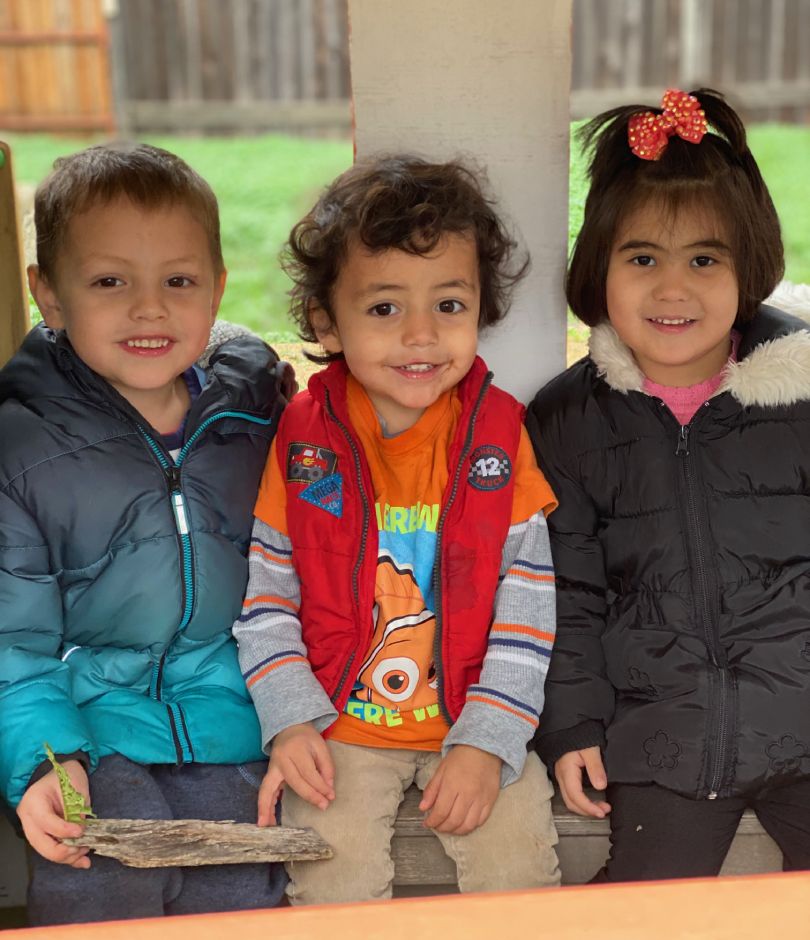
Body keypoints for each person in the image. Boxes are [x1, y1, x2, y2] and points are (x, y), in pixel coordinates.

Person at [234, 155, 562, 903]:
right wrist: (291, 725)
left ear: (481, 307)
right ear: (327, 320)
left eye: (448, 305)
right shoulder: (305, 440)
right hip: (340, 727)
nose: (420, 335)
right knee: (328, 873)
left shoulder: (497, 435)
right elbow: (266, 606)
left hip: (474, 712)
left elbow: (529, 608)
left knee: (519, 875)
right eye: (384, 308)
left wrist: (489, 739)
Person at [0, 143, 289, 923]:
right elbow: (13, 644)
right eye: (109, 281)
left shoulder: (255, 417)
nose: (149, 308)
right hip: (89, 723)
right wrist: (46, 763)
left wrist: (297, 715)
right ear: (48, 296)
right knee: (101, 869)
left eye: (179, 281)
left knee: (242, 892)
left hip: (236, 718)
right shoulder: (21, 448)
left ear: (218, 288)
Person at [527, 88, 810, 881]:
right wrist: (572, 723)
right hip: (661, 736)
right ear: (600, 269)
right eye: (643, 258)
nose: (673, 289)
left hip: (803, 715)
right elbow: (569, 592)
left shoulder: (800, 393)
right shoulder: (568, 417)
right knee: (644, 908)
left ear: (747, 266)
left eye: (705, 259)